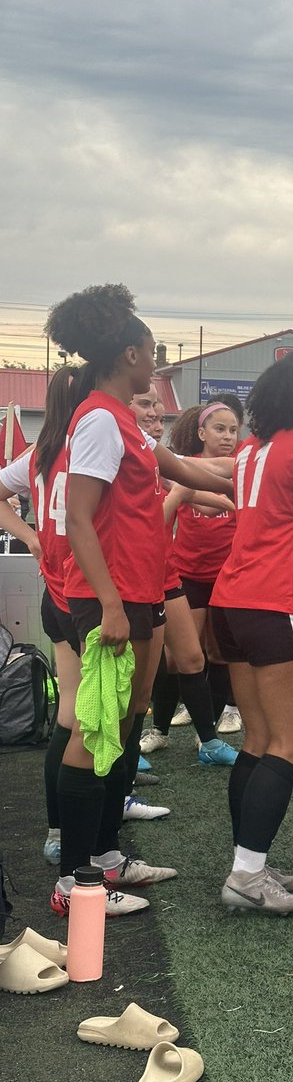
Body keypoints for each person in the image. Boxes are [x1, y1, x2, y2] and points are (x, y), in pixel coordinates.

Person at [45, 283, 232, 917]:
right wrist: (113, 605)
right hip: (110, 600)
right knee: (95, 729)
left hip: (139, 592)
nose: (156, 363)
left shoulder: (122, 417)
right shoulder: (98, 418)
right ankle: (74, 883)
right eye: (152, 353)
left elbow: (180, 468)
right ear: (129, 355)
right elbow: (77, 519)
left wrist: (250, 484)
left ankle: (103, 856)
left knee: (126, 722)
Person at [209, 348, 293, 916]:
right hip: (274, 599)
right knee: (291, 743)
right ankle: (246, 872)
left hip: (229, 599)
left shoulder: (251, 449)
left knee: (258, 740)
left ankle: (250, 860)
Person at [0, 369, 80, 864]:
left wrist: (30, 534)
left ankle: (61, 830)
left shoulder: (41, 453)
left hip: (61, 592)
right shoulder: (77, 450)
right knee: (83, 718)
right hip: (84, 596)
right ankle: (76, 840)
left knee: (75, 713)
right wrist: (29, 536)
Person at [138, 402, 239, 771]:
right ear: (201, 433)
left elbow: (212, 497)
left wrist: (238, 496)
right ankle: (152, 732)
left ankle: (210, 734)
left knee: (206, 654)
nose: (227, 437)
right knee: (165, 661)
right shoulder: (165, 463)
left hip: (205, 576)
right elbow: (185, 499)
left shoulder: (164, 460)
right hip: (168, 575)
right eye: (219, 430)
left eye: (233, 430)